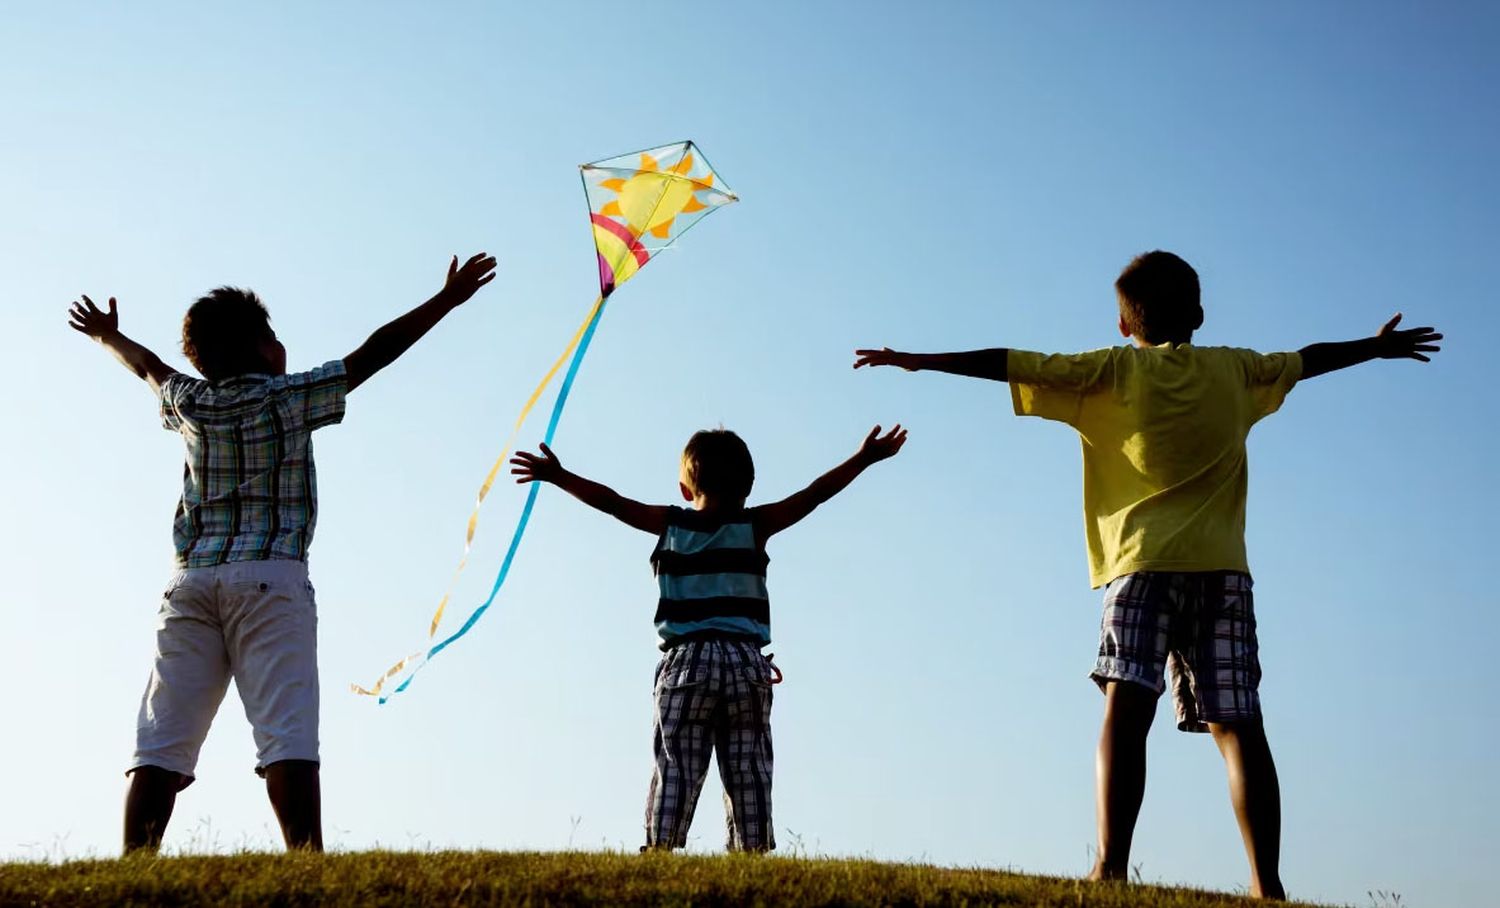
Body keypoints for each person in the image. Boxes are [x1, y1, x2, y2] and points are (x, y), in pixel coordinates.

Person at [853, 250, 1441, 899]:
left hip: (1140, 566)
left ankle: (1110, 864)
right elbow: (1308, 358)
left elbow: (1009, 362)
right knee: (1239, 725)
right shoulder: (1236, 369)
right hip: (1223, 573)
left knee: (1126, 708)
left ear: (1123, 325)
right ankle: (1266, 884)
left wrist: (921, 360)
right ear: (1199, 314)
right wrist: (1375, 347)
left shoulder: (1108, 371)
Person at [67, 252, 498, 853]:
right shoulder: (290, 398)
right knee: (286, 732)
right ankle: (305, 859)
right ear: (264, 349)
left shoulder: (193, 402)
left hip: (190, 583)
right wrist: (445, 301)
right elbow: (375, 353)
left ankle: (134, 864)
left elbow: (148, 368)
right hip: (270, 579)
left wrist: (109, 335)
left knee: (162, 738)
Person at [510, 424, 907, 852]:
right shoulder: (756, 525)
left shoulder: (670, 523)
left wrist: (559, 476)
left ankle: (661, 846)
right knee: (748, 765)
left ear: (685, 488)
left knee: (677, 761)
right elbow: (814, 494)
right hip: (746, 663)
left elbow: (614, 505)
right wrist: (863, 458)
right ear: (750, 486)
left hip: (687, 662)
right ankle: (751, 850)